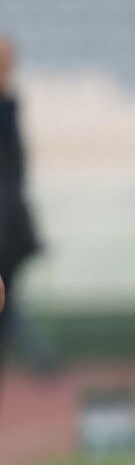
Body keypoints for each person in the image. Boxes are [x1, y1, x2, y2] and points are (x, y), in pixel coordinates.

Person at [0, 38, 41, 390]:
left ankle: (45, 361)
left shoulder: (10, 105)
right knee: (9, 309)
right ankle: (46, 362)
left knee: (8, 307)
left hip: (8, 226)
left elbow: (15, 174)